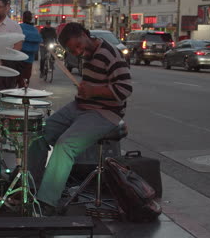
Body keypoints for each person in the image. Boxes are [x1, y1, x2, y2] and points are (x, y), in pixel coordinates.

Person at [28, 23, 133, 215]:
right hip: (81, 106)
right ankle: (31, 188)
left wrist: (93, 91)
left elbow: (125, 90)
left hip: (105, 112)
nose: (77, 52)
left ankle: (48, 202)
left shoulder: (110, 54)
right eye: (72, 50)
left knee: (65, 145)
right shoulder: (85, 54)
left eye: (78, 46)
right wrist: (87, 91)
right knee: (38, 133)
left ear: (85, 34)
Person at [18, 11, 42, 87]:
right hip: (29, 60)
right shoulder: (35, 30)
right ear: (31, 18)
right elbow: (38, 42)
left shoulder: (20, 27)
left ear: (23, 18)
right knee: (26, 80)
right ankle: (24, 96)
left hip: (19, 58)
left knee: (18, 79)